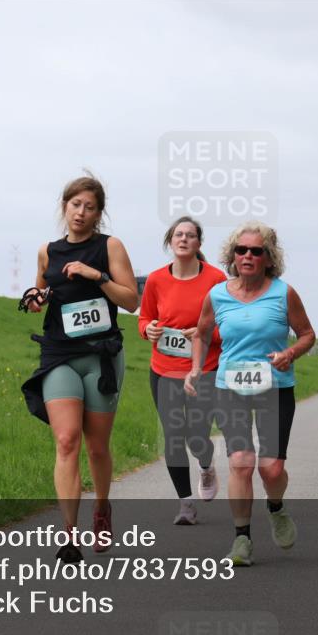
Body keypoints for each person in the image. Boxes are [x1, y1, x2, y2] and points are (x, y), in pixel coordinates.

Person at [19, 176, 139, 564]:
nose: (80, 213)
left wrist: (97, 276)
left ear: (98, 213)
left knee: (96, 446)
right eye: (75, 205)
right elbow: (41, 294)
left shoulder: (110, 247)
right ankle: (69, 535)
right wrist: (35, 299)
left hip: (100, 355)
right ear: (64, 207)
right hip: (59, 354)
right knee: (67, 440)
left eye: (89, 207)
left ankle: (102, 508)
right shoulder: (47, 251)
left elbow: (131, 301)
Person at [185, 221, 315, 567]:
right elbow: (200, 333)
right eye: (241, 250)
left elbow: (306, 334)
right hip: (231, 389)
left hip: (274, 388)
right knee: (240, 463)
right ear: (232, 256)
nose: (247, 256)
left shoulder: (283, 293)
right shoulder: (218, 295)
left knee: (271, 469)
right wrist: (197, 368)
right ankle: (241, 539)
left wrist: (290, 353)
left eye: (256, 251)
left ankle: (276, 507)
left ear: (268, 258)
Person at [138, 217, 228, 525]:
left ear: (199, 244)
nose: (184, 239)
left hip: (204, 369)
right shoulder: (155, 280)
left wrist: (202, 335)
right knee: (173, 436)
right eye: (178, 234)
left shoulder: (217, 280)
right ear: (170, 241)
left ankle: (205, 464)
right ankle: (185, 504)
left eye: (190, 235)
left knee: (196, 434)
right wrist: (147, 329)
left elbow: (227, 327)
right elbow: (145, 317)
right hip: (163, 369)